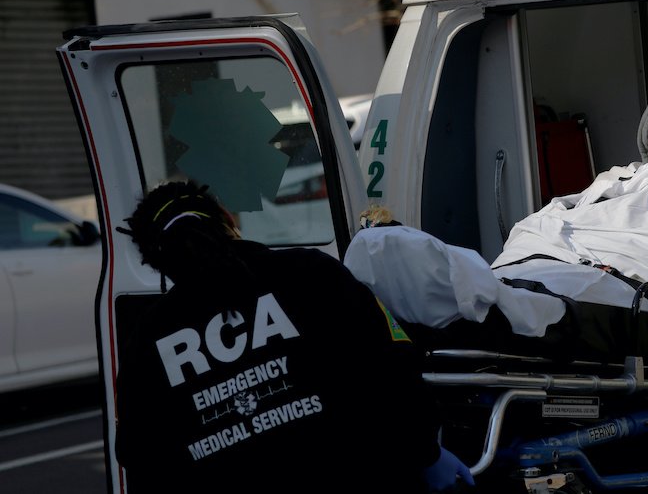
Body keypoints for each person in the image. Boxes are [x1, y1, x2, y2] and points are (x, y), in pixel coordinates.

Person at [345, 66, 648, 336]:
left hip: (631, 282)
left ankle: (478, 291)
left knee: (544, 295)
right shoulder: (624, 179)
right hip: (564, 263)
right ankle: (494, 284)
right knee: (527, 276)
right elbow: (557, 218)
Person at [114, 181, 473, 493]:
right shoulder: (308, 273)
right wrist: (426, 454)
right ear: (227, 218)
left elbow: (145, 462)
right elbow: (389, 370)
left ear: (156, 261)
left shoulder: (145, 345)